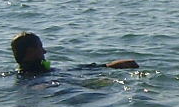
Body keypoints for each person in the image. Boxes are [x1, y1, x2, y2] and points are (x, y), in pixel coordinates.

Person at [10, 31, 138, 76]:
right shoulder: (40, 76)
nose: (44, 51)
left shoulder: (19, 76)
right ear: (31, 51)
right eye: (40, 47)